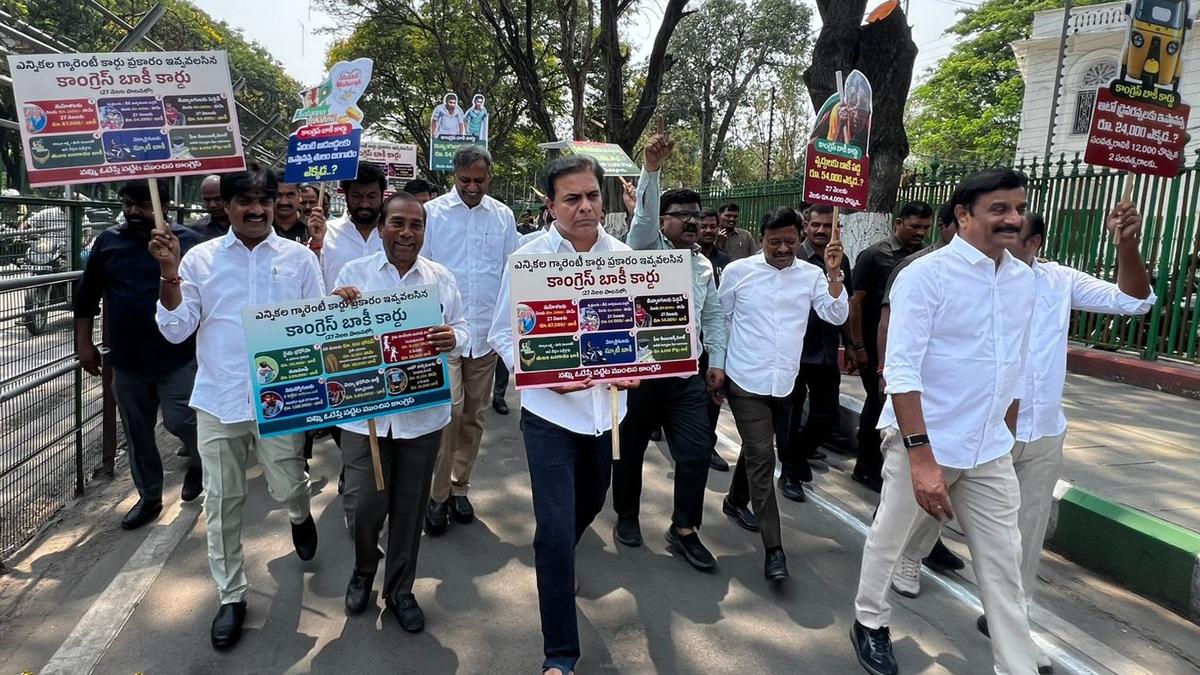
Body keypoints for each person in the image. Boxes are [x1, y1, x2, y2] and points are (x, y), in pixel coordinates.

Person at [850, 170, 1038, 675]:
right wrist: (921, 458)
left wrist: (1007, 434)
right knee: (891, 538)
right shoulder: (925, 276)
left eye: (1019, 209)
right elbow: (902, 371)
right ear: (963, 215)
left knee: (1003, 562)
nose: (1013, 219)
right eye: (1000, 209)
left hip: (988, 447)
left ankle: (1016, 665)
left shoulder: (1023, 280)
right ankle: (870, 621)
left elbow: (1014, 364)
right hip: (926, 439)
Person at [969, 207, 1153, 672]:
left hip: (1042, 431)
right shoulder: (972, 277)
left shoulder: (1059, 281)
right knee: (929, 508)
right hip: (981, 428)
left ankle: (1012, 625)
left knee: (1026, 534)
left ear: (1035, 245)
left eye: (1013, 234)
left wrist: (1127, 247)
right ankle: (907, 558)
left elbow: (1135, 301)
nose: (999, 240)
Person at [152, 165, 323, 651]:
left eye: (264, 200)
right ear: (225, 207)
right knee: (222, 502)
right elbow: (175, 330)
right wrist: (168, 274)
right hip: (219, 400)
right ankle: (231, 596)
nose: (256, 209)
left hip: (280, 400)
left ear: (275, 204)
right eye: (245, 201)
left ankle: (299, 514)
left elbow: (317, 325)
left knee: (289, 485)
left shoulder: (300, 260)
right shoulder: (199, 260)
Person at [488, 154, 638, 675]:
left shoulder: (627, 259)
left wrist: (639, 367)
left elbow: (644, 333)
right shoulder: (527, 260)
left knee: (590, 503)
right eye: (572, 198)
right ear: (550, 206)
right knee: (552, 532)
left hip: (607, 415)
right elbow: (502, 332)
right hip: (549, 416)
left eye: (592, 195)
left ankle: (562, 554)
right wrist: (539, 373)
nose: (585, 207)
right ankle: (560, 657)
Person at [330, 191, 470, 632]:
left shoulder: (441, 279)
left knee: (410, 510)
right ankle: (363, 570)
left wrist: (454, 338)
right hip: (365, 417)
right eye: (398, 223)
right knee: (364, 504)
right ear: (382, 228)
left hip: (422, 417)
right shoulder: (353, 275)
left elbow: (463, 327)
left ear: (425, 231)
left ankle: (400, 590)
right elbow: (325, 338)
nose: (407, 233)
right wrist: (337, 308)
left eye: (416, 225)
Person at [611, 131, 727, 571]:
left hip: (685, 378)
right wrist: (652, 169)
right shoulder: (643, 249)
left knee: (696, 452)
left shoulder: (703, 265)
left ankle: (684, 529)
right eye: (682, 215)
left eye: (697, 215)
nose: (693, 221)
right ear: (664, 222)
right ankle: (627, 514)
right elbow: (642, 219)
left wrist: (716, 363)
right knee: (630, 451)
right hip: (640, 375)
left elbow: (713, 317)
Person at [713, 206, 847, 580]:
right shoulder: (738, 272)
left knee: (757, 446)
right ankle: (774, 550)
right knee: (762, 456)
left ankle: (735, 500)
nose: (783, 249)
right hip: (745, 380)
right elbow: (720, 320)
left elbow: (835, 315)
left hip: (785, 382)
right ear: (762, 240)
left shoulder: (812, 275)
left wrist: (834, 274)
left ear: (799, 237)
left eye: (790, 241)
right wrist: (718, 367)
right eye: (775, 242)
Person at [74, 180, 204, 530]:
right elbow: (86, 297)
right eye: (128, 203)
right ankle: (149, 497)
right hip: (127, 359)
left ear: (166, 207)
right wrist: (84, 344)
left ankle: (200, 461)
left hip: (180, 357)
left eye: (143, 205)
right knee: (138, 432)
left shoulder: (191, 243)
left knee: (183, 420)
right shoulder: (108, 242)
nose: (133, 211)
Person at [421, 144, 521, 534]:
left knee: (473, 418)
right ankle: (438, 495)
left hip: (485, 335)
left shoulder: (503, 216)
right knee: (448, 415)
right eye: (465, 180)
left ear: (489, 177)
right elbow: (422, 271)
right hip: (444, 334)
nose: (472, 187)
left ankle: (460, 487)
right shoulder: (433, 214)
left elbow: (513, 271)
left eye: (479, 180)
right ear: (454, 176)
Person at [847, 201, 933, 492]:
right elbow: (856, 302)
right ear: (899, 223)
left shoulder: (928, 257)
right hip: (875, 346)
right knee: (877, 403)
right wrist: (858, 346)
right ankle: (865, 467)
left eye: (925, 227)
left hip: (908, 347)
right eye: (914, 226)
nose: (919, 232)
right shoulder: (874, 255)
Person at [777, 204, 854, 502]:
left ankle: (797, 456)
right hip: (794, 351)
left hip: (825, 352)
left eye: (828, 226)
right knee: (790, 416)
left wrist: (850, 345)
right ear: (806, 227)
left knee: (826, 415)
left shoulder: (842, 261)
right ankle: (789, 473)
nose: (822, 230)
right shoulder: (791, 258)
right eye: (816, 225)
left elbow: (845, 304)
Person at [312, 163, 386, 293]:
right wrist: (316, 243)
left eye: (372, 196)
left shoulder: (394, 236)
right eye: (357, 196)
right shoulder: (325, 233)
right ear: (346, 195)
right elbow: (311, 278)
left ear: (382, 196)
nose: (365, 204)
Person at [697, 205, 732, 471]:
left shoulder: (726, 263)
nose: (708, 230)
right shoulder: (684, 259)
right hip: (684, 343)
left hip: (715, 341)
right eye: (703, 225)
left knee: (711, 397)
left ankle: (707, 445)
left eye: (713, 226)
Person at [272, 169, 308, 243]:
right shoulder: (261, 227)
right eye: (278, 195)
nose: (284, 202)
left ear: (299, 196)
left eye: (290, 195)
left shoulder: (311, 228)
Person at [189, 174, 230, 240]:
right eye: (207, 200)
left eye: (217, 199)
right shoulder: (196, 230)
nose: (212, 205)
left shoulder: (243, 226)